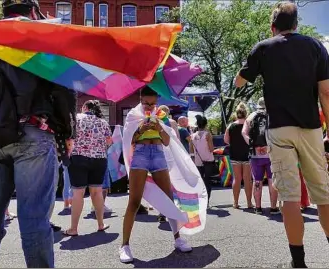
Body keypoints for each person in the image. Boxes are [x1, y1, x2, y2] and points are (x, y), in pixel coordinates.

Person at [0, 0, 77, 267]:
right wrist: (68, 132)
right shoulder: (40, 35)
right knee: (34, 221)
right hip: (32, 131)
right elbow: (63, 89)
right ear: (33, 11)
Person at [235, 2, 329, 267]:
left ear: (273, 27)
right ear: (296, 25)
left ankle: (298, 262)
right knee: (323, 193)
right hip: (311, 128)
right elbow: (326, 92)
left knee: (289, 196)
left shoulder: (264, 48)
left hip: (279, 130)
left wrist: (245, 71)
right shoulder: (316, 47)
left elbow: (240, 81)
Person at [119, 87, 193, 263]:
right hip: (141, 155)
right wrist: (140, 129)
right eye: (146, 103)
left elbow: (167, 141)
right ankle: (124, 245)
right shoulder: (133, 115)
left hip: (158, 154)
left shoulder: (160, 115)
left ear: (157, 102)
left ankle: (178, 239)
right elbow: (128, 141)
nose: (149, 107)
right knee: (134, 202)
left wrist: (159, 127)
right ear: (140, 99)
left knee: (168, 198)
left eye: (152, 104)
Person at [63, 100, 112, 236]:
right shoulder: (103, 122)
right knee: (96, 191)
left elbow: (68, 137)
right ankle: (101, 224)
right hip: (99, 159)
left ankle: (74, 228)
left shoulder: (77, 118)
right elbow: (109, 141)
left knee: (78, 193)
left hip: (78, 158)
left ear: (85, 107)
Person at [242, 97, 279, 215]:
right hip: (270, 154)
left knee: (257, 181)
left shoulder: (250, 117)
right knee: (271, 180)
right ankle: (273, 208)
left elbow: (244, 133)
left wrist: (254, 145)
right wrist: (268, 146)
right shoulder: (273, 115)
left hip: (255, 155)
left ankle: (258, 207)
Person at [224, 103, 253, 209]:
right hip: (247, 154)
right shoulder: (249, 124)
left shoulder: (231, 126)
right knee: (247, 180)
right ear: (246, 113)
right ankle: (249, 203)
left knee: (236, 179)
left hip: (235, 154)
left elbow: (226, 140)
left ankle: (235, 203)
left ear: (236, 114)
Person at [191, 115, 215, 206]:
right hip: (208, 160)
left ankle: (200, 201)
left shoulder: (192, 135)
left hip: (198, 161)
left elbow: (191, 150)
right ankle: (206, 201)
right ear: (205, 124)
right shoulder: (207, 134)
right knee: (207, 181)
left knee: (199, 182)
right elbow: (211, 149)